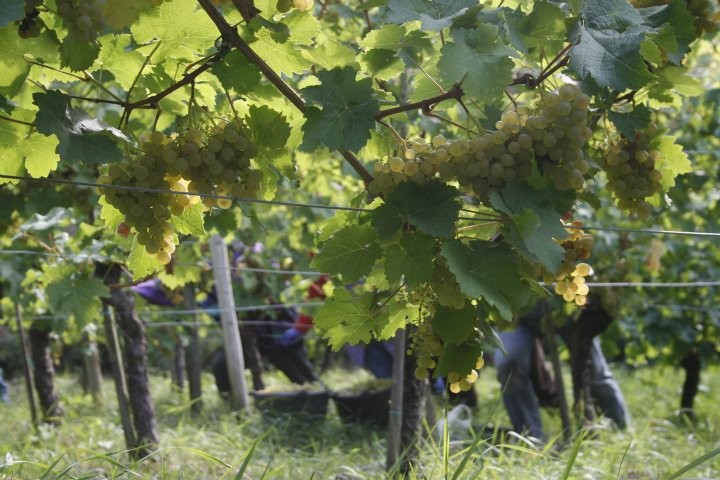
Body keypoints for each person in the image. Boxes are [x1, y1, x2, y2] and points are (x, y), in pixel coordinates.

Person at [493, 299, 630, 440]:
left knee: (593, 371)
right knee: (508, 363)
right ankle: (530, 438)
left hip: (570, 306)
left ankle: (622, 431)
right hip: (518, 310)